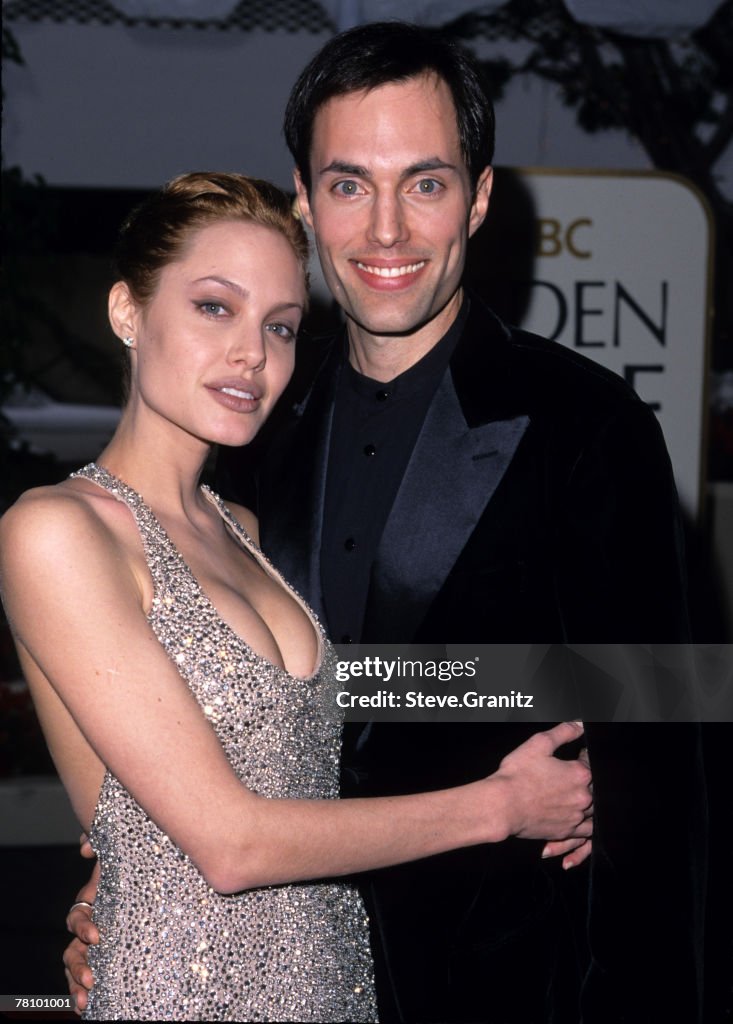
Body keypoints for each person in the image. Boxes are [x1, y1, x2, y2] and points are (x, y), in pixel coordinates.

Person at [65, 22, 706, 1023]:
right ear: (307, 199)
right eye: (350, 183)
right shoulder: (252, 430)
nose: (387, 231)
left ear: (480, 196)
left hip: (511, 981)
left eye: (427, 181)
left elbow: (670, 748)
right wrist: (130, 884)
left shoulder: (586, 424)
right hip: (278, 955)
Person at [0, 171, 594, 1022]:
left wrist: (604, 739)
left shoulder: (244, 525)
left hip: (337, 982)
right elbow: (231, 843)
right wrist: (502, 806)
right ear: (128, 312)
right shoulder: (56, 531)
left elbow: (355, 709)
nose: (254, 353)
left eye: (280, 326)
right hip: (188, 993)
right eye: (214, 307)